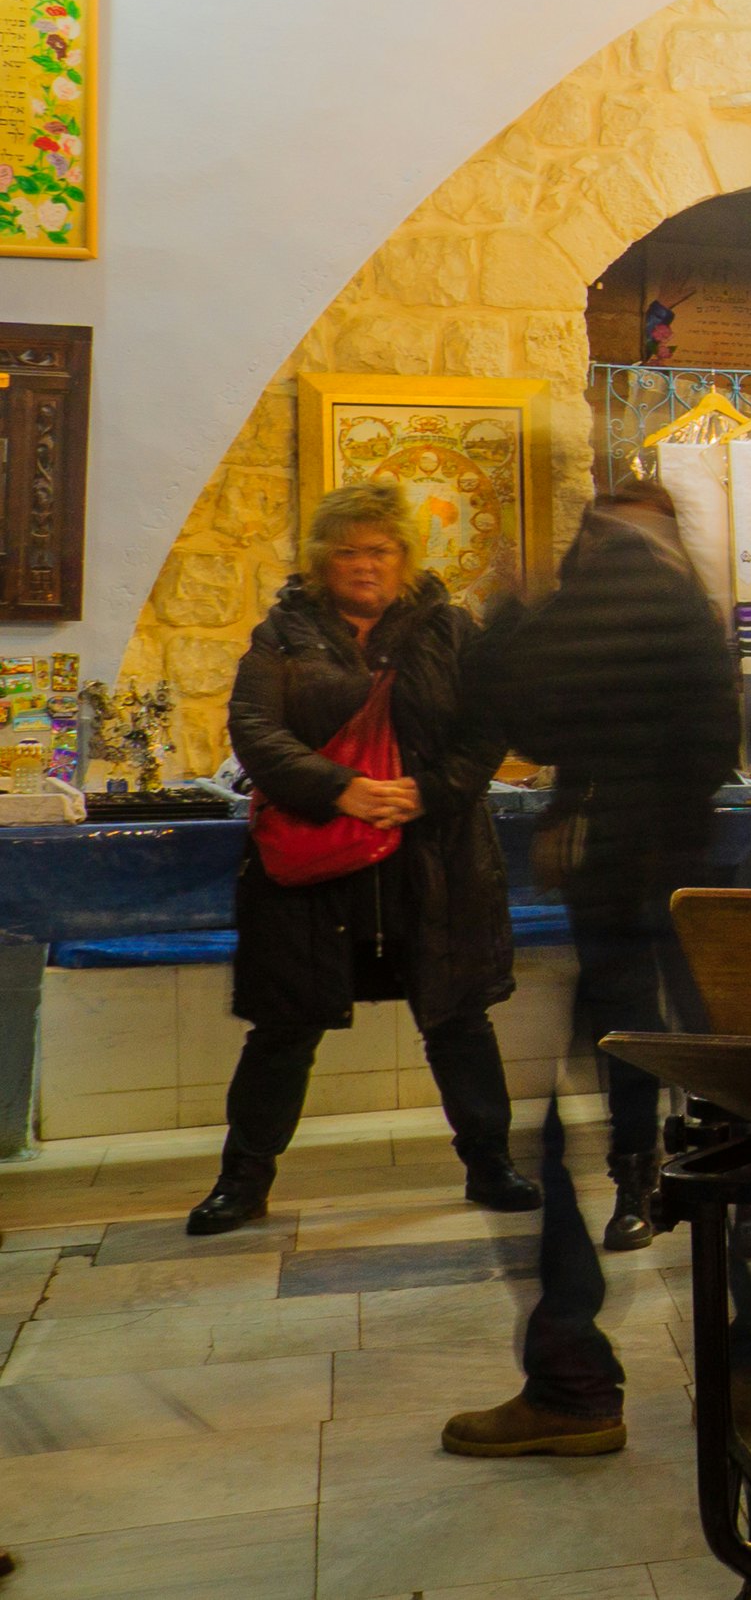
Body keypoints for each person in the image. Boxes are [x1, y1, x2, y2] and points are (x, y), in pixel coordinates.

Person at [439, 486, 751, 1459]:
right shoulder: (690, 602)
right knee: (715, 1118)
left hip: (619, 887)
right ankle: (742, 1346)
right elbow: (714, 744)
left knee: (561, 1140)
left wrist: (508, 606)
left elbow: (519, 709)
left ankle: (573, 1381)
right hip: (686, 882)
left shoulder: (608, 588)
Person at [194, 486, 531, 1235]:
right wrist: (341, 789)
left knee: (458, 1019)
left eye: (379, 549)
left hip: (431, 858)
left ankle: (490, 1164)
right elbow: (254, 727)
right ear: (323, 560)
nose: (364, 564)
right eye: (348, 549)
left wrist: (426, 793)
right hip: (317, 866)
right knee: (284, 1030)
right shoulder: (283, 632)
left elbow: (486, 728)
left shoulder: (450, 629)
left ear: (405, 556)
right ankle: (243, 1181)